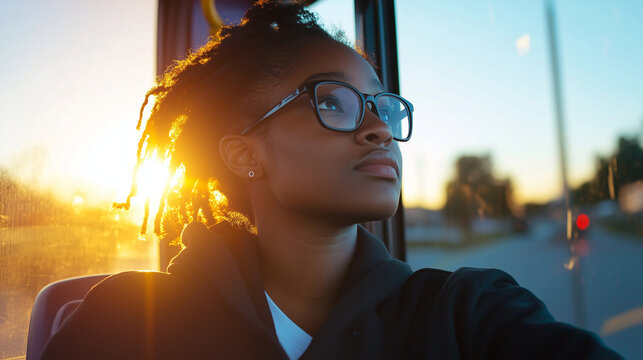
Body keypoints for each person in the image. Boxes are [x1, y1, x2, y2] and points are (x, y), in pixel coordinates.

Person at [40, 1, 622, 359]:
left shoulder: (469, 314)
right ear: (246, 153)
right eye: (336, 101)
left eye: (385, 106)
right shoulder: (124, 323)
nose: (379, 129)